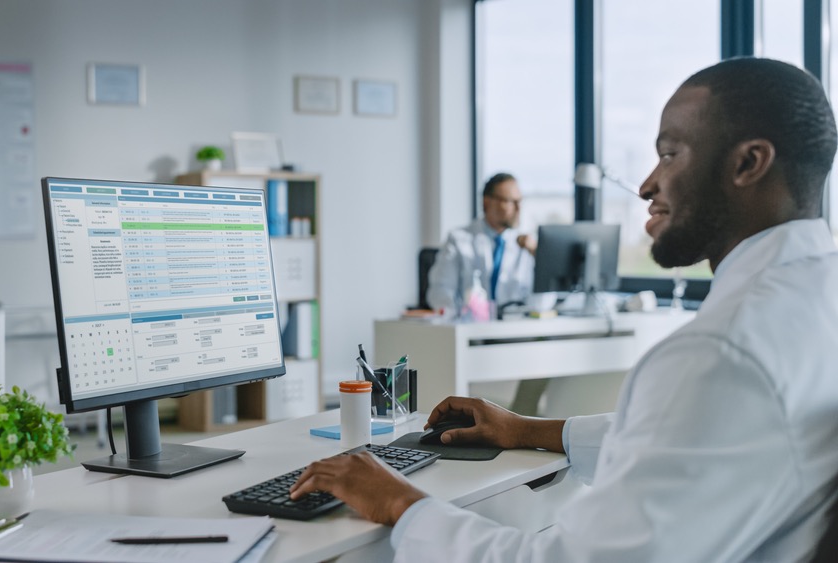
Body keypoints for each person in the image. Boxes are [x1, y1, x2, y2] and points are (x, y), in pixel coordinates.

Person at [291, 57, 838, 561]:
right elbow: (704, 440)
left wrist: (398, 502)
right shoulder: (816, 293)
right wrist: (529, 430)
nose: (648, 184)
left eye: (669, 153)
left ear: (748, 163)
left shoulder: (720, 352)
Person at [426, 173, 536, 315]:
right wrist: (461, 316)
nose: (518, 208)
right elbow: (440, 292)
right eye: (510, 201)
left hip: (515, 330)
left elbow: (542, 304)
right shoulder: (458, 240)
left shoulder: (528, 245)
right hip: (472, 330)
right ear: (487, 202)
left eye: (519, 201)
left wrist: (538, 255)